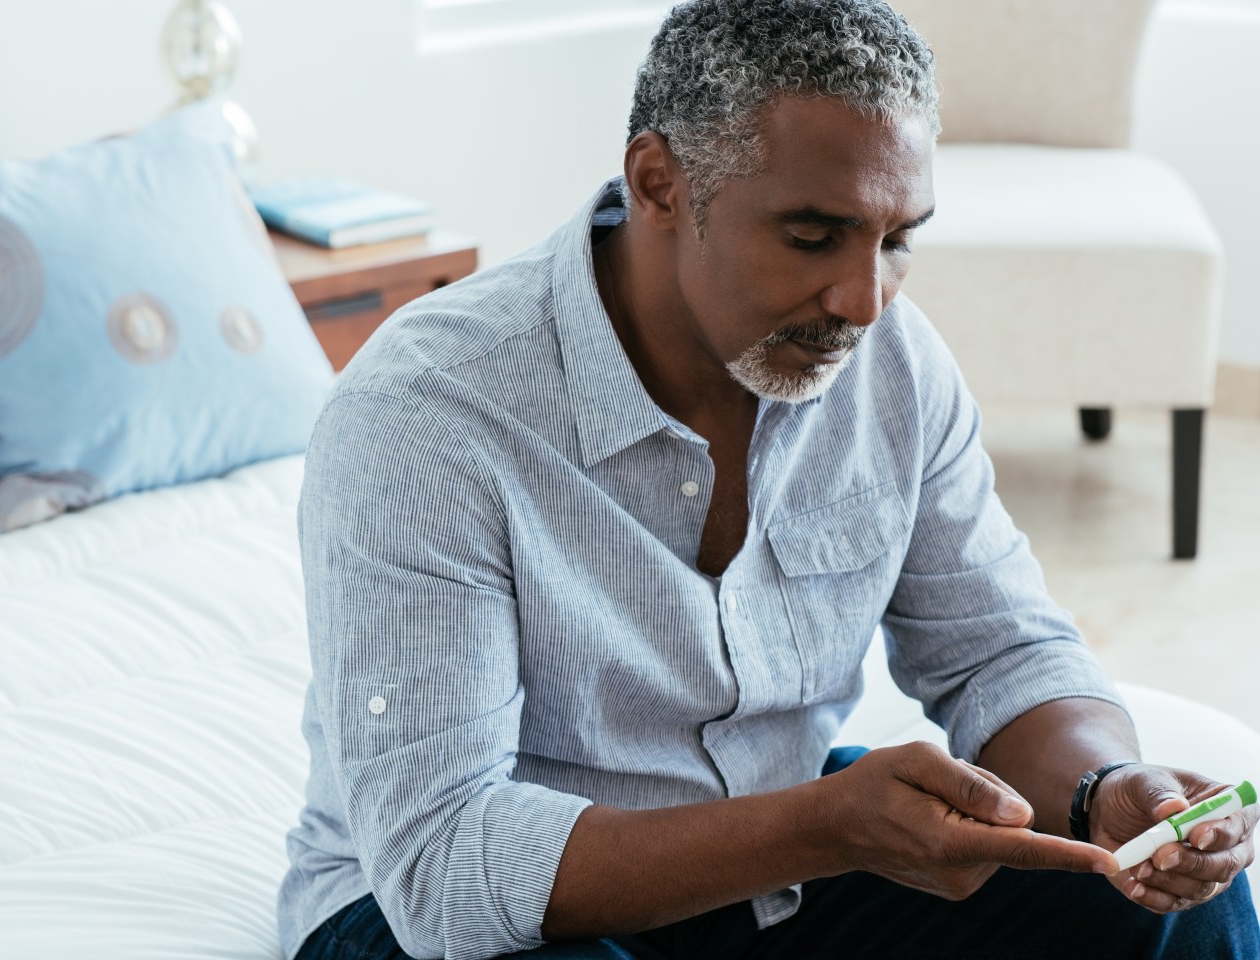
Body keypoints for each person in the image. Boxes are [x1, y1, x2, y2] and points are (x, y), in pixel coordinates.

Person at [277, 1, 1260, 957]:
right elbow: (443, 870)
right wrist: (822, 828)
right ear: (660, 183)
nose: (865, 302)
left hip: (775, 855)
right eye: (813, 236)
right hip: (449, 911)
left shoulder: (892, 364)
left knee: (1170, 916)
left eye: (898, 240)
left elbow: (1001, 654)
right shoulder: (428, 414)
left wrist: (1105, 789)